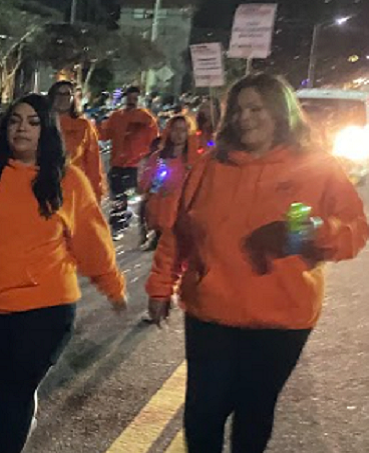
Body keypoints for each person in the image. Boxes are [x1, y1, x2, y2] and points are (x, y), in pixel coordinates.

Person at [146, 74, 369, 453]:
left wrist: (319, 231)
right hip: (211, 313)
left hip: (281, 319)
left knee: (253, 414)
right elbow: (179, 232)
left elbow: (356, 231)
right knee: (203, 415)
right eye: (237, 110)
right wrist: (159, 286)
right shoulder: (210, 166)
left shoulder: (317, 167)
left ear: (281, 113)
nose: (244, 118)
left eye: (255, 109)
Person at [0, 94, 126, 453]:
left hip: (41, 311)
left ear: (46, 130)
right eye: (15, 120)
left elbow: (92, 242)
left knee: (10, 396)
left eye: (33, 122)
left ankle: (15, 418)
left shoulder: (68, 180)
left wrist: (113, 286)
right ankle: (18, 408)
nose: (22, 129)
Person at [99, 86, 159, 239]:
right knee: (116, 195)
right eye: (130, 98)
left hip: (134, 166)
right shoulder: (116, 117)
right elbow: (104, 134)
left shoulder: (146, 118)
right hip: (116, 164)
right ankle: (119, 221)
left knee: (127, 194)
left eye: (135, 98)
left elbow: (155, 140)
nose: (132, 101)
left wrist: (149, 159)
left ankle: (120, 222)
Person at [137, 115, 195, 251]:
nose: (178, 134)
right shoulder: (159, 157)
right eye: (175, 129)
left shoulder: (194, 159)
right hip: (162, 212)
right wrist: (154, 187)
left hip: (183, 215)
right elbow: (147, 182)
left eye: (183, 130)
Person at [49, 80, 106, 201]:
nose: (62, 98)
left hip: (74, 191)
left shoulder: (84, 126)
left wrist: (96, 192)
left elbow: (93, 163)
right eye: (58, 94)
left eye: (67, 94)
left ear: (73, 98)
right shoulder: (41, 124)